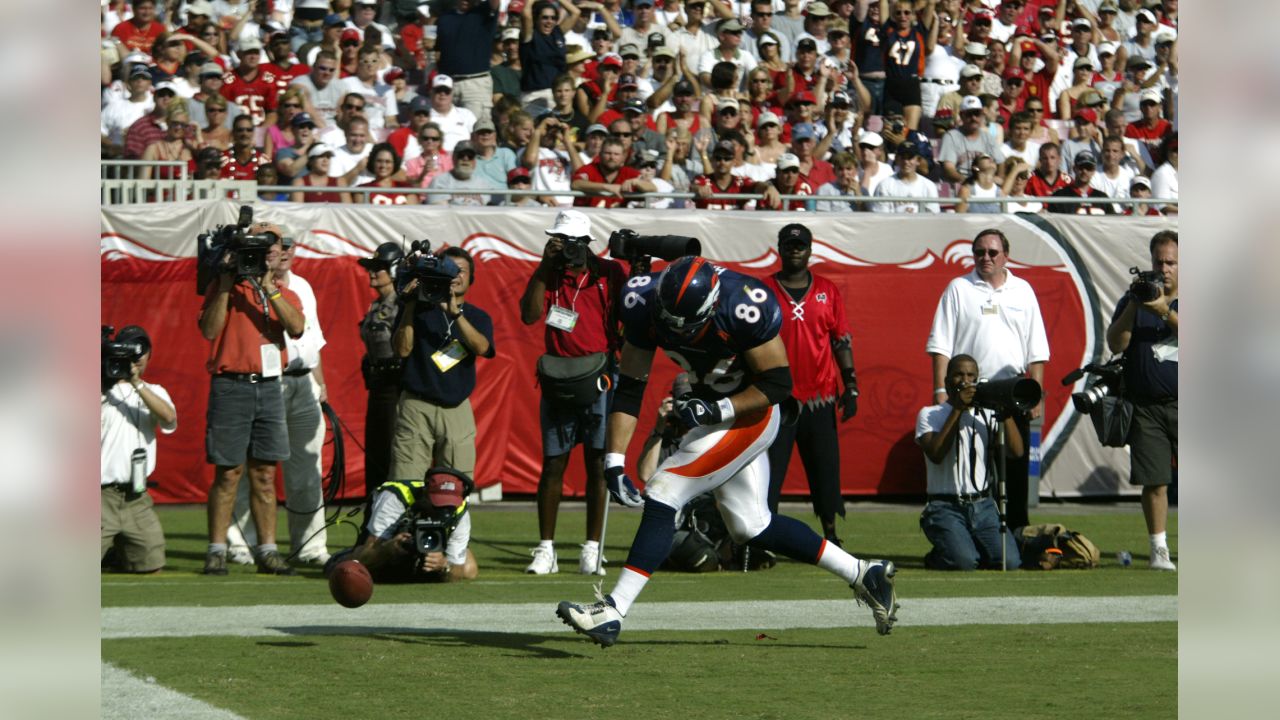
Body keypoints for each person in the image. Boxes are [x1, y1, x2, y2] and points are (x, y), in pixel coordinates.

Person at [555, 255, 899, 647]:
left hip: (747, 413)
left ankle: (612, 610)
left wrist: (717, 408)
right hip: (712, 413)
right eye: (669, 322)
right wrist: (614, 461)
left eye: (689, 324)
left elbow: (777, 385)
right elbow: (631, 387)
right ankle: (862, 572)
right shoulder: (642, 301)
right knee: (750, 526)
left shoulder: (745, 305)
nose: (677, 332)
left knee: (666, 488)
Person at [518, 210, 626, 575]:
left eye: (570, 241)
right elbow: (530, 315)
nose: (564, 248)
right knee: (553, 462)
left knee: (597, 462)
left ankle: (592, 547)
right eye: (559, 240)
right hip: (559, 376)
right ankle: (546, 548)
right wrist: (542, 266)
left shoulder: (608, 273)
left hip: (598, 375)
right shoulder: (551, 274)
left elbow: (628, 313)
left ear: (586, 242)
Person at [198, 224, 305, 576]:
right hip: (231, 384)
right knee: (228, 472)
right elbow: (209, 330)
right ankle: (217, 549)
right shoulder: (227, 284)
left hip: (270, 384)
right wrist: (228, 285)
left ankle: (268, 550)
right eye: (260, 249)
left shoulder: (283, 292)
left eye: (272, 247)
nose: (266, 254)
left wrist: (270, 289)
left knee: (264, 474)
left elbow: (297, 328)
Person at [925, 228, 1049, 532]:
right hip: (969, 392)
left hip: (1013, 390)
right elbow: (940, 345)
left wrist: (1037, 395)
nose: (986, 258)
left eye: (992, 252)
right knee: (972, 469)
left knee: (1016, 468)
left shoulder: (1023, 290)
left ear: (1006, 255)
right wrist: (941, 390)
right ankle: (976, 532)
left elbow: (1037, 349)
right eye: (979, 252)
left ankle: (1018, 534)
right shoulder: (958, 288)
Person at [226, 232, 332, 567]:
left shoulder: (303, 285)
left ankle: (310, 547)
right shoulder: (245, 283)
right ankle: (241, 543)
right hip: (264, 380)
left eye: (288, 246)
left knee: (307, 470)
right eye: (275, 248)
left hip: (302, 381)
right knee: (251, 468)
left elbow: (313, 339)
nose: (283, 253)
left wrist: (321, 383)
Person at [761, 224, 860, 545]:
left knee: (825, 468)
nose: (795, 250)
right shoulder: (762, 291)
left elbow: (840, 341)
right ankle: (764, 534)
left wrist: (852, 385)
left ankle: (831, 532)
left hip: (820, 395)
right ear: (779, 248)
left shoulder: (827, 291)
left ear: (810, 249)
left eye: (800, 245)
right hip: (776, 398)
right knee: (769, 472)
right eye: (789, 245)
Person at [389, 246, 495, 497]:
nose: (456, 276)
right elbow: (402, 350)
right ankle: (402, 535)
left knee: (456, 486)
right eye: (450, 270)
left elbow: (482, 347)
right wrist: (411, 305)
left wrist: (455, 314)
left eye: (462, 271)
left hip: (456, 408)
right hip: (416, 404)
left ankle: (451, 536)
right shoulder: (416, 310)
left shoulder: (478, 316)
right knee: (405, 483)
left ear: (471, 278)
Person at [1105, 230, 1177, 570]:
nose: (1164, 268)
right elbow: (1116, 344)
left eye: (1171, 262)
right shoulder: (1134, 298)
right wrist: (1136, 305)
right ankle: (1158, 548)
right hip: (1147, 404)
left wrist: (1165, 311)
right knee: (1155, 479)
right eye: (1158, 261)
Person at [917, 354, 1023, 571]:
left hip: (983, 506)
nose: (965, 381)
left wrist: (1004, 407)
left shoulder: (985, 414)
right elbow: (936, 454)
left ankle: (968, 546)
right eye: (958, 375)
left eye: (970, 376)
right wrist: (957, 408)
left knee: (1010, 562)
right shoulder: (930, 414)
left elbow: (1016, 451)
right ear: (947, 382)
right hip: (945, 506)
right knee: (963, 562)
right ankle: (939, 554)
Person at [101, 325, 176, 574]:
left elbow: (168, 418)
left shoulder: (154, 391)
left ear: (149, 355)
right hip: (100, 498)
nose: (136, 356)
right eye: (129, 350)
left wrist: (136, 382)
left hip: (136, 497)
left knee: (151, 567)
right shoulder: (101, 391)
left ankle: (117, 551)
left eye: (140, 350)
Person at [336, 468, 479, 582]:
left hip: (435, 543)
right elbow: (367, 553)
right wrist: (388, 548)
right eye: (438, 504)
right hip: (389, 541)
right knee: (353, 566)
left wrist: (444, 565)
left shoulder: (461, 509)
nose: (443, 512)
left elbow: (457, 568)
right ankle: (338, 557)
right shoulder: (395, 498)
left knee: (469, 569)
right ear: (425, 494)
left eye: (449, 507)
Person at [356, 242, 407, 527]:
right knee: (375, 455)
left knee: (391, 455)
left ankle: (392, 521)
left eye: (379, 268)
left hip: (395, 387)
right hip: (377, 387)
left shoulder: (401, 305)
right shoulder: (377, 305)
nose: (373, 273)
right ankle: (372, 522)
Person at [435, 0, 500, 122]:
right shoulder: (444, 18)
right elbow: (438, 50)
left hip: (475, 84)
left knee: (476, 131)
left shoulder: (484, 11)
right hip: (448, 84)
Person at [871, 143, 939, 213]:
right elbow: (881, 218)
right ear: (897, 160)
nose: (906, 162)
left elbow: (932, 217)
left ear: (918, 161)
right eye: (903, 157)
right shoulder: (884, 185)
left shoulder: (929, 186)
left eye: (910, 158)